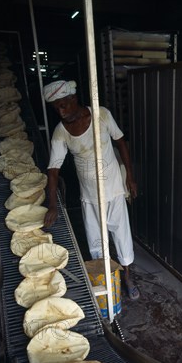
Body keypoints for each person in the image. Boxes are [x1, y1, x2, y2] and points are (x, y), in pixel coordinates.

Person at [42, 79, 140, 300]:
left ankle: (128, 278)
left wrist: (130, 178)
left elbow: (121, 141)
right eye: (55, 107)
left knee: (121, 235)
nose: (60, 110)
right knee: (95, 241)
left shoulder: (101, 115)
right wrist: (52, 205)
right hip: (89, 195)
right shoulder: (61, 132)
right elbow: (53, 169)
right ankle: (104, 279)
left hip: (113, 188)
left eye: (63, 104)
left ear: (73, 99)